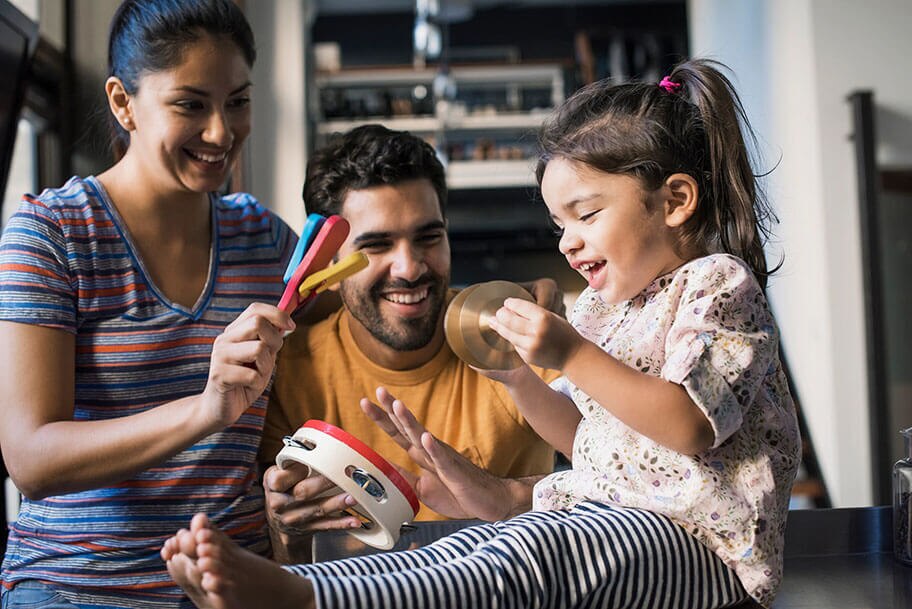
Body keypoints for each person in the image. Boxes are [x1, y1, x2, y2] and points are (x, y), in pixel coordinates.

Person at [162, 58, 801, 609]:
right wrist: (519, 378)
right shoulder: (613, 309)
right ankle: (302, 583)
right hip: (621, 527)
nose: (567, 241)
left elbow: (690, 425)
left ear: (676, 200)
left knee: (534, 546)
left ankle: (306, 598)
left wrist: (570, 353)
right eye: (559, 223)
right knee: (475, 541)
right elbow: (588, 440)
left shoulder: (717, 286)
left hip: (701, 548)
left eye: (586, 214)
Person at [0, 1, 297, 607]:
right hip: (76, 586)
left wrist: (486, 311)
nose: (221, 132)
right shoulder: (52, 233)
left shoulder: (263, 238)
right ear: (122, 102)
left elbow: (365, 325)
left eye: (237, 101)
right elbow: (31, 456)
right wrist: (205, 410)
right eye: (191, 104)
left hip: (232, 584)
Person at [259, 124, 559, 561]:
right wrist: (286, 529)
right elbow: (292, 564)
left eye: (428, 237)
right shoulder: (289, 372)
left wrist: (505, 496)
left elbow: (623, 482)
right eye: (376, 245)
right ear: (327, 261)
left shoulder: (517, 336)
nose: (410, 267)